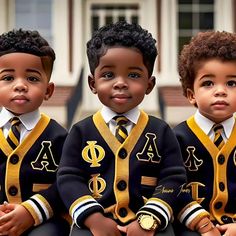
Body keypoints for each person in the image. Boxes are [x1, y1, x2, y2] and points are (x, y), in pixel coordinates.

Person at [57, 21, 212, 236]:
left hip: (151, 222)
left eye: (133, 75)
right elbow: (68, 178)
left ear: (149, 85)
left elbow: (173, 178)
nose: (120, 83)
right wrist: (93, 219)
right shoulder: (80, 131)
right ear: (93, 84)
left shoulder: (161, 131)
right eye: (108, 75)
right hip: (95, 222)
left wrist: (150, 219)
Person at [0, 29, 70, 235]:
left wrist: (31, 212)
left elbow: (67, 182)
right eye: (8, 78)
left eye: (31, 78)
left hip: (44, 221)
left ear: (48, 90)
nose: (20, 85)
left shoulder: (60, 137)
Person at [173, 31, 236, 236]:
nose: (220, 91)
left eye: (231, 83)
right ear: (191, 95)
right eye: (208, 83)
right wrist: (202, 224)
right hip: (191, 227)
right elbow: (173, 188)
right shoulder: (177, 138)